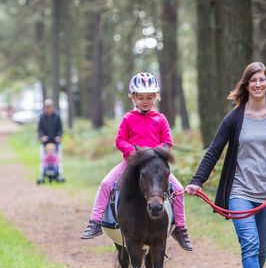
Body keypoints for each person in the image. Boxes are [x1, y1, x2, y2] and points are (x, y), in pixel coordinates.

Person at [184, 62, 266, 268]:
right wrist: (197, 180)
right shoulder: (234, 118)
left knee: (261, 249)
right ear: (246, 85)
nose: (257, 84)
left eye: (261, 80)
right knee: (250, 243)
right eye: (253, 80)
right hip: (239, 192)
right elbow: (214, 151)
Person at [79, 72, 193, 251]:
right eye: (141, 97)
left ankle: (180, 228)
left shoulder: (161, 119)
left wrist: (157, 153)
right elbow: (120, 140)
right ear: (133, 98)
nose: (145, 101)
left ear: (156, 97)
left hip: (155, 167)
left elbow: (168, 142)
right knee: (106, 183)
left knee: (178, 189)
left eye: (149, 97)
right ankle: (95, 221)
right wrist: (132, 152)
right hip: (131, 164)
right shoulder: (128, 118)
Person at [37, 99, 64, 183]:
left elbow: (60, 129)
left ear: (52, 107)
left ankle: (58, 173)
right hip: (46, 142)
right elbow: (40, 129)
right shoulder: (41, 117)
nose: (48, 108)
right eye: (47, 107)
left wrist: (58, 136)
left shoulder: (57, 116)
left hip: (55, 142)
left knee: (57, 158)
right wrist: (42, 136)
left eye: (49, 106)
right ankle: (43, 173)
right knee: (44, 158)